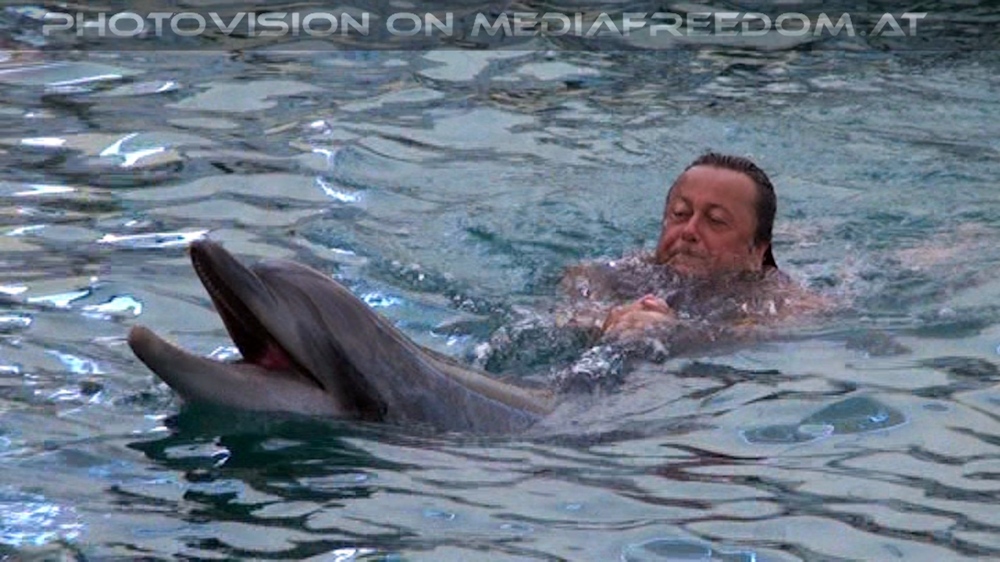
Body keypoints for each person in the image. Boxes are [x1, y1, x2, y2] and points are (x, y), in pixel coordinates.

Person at [559, 151, 824, 341]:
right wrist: (609, 322)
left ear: (757, 251)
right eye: (680, 214)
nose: (689, 231)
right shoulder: (616, 275)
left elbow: (764, 337)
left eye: (716, 220)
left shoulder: (783, 303)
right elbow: (569, 313)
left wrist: (676, 333)